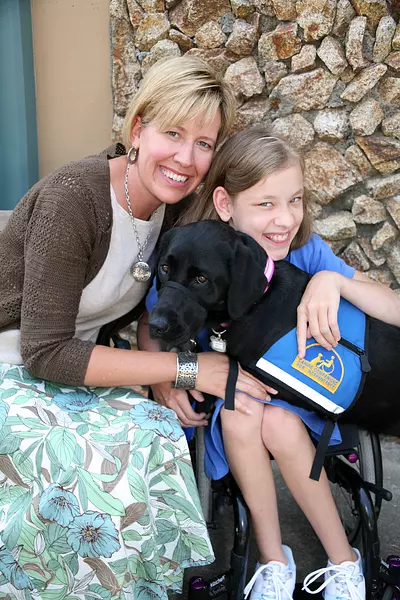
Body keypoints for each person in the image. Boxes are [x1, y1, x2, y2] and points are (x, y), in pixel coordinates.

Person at [0, 57, 272, 600]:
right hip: (16, 364)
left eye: (204, 143)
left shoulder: (174, 208)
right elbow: (44, 352)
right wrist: (191, 367)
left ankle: (136, 589)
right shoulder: (74, 200)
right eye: (173, 133)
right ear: (138, 128)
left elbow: (157, 306)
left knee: (157, 435)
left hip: (67, 364)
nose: (186, 158)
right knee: (100, 473)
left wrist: (164, 381)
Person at [146, 126, 400, 600]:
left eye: (295, 200)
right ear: (226, 205)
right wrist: (173, 380)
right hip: (237, 397)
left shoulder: (304, 252)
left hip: (310, 397)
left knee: (280, 423)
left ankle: (343, 563)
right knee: (247, 414)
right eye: (265, 204)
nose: (284, 219)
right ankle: (273, 565)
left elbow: (393, 307)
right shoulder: (193, 253)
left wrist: (333, 281)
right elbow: (153, 330)